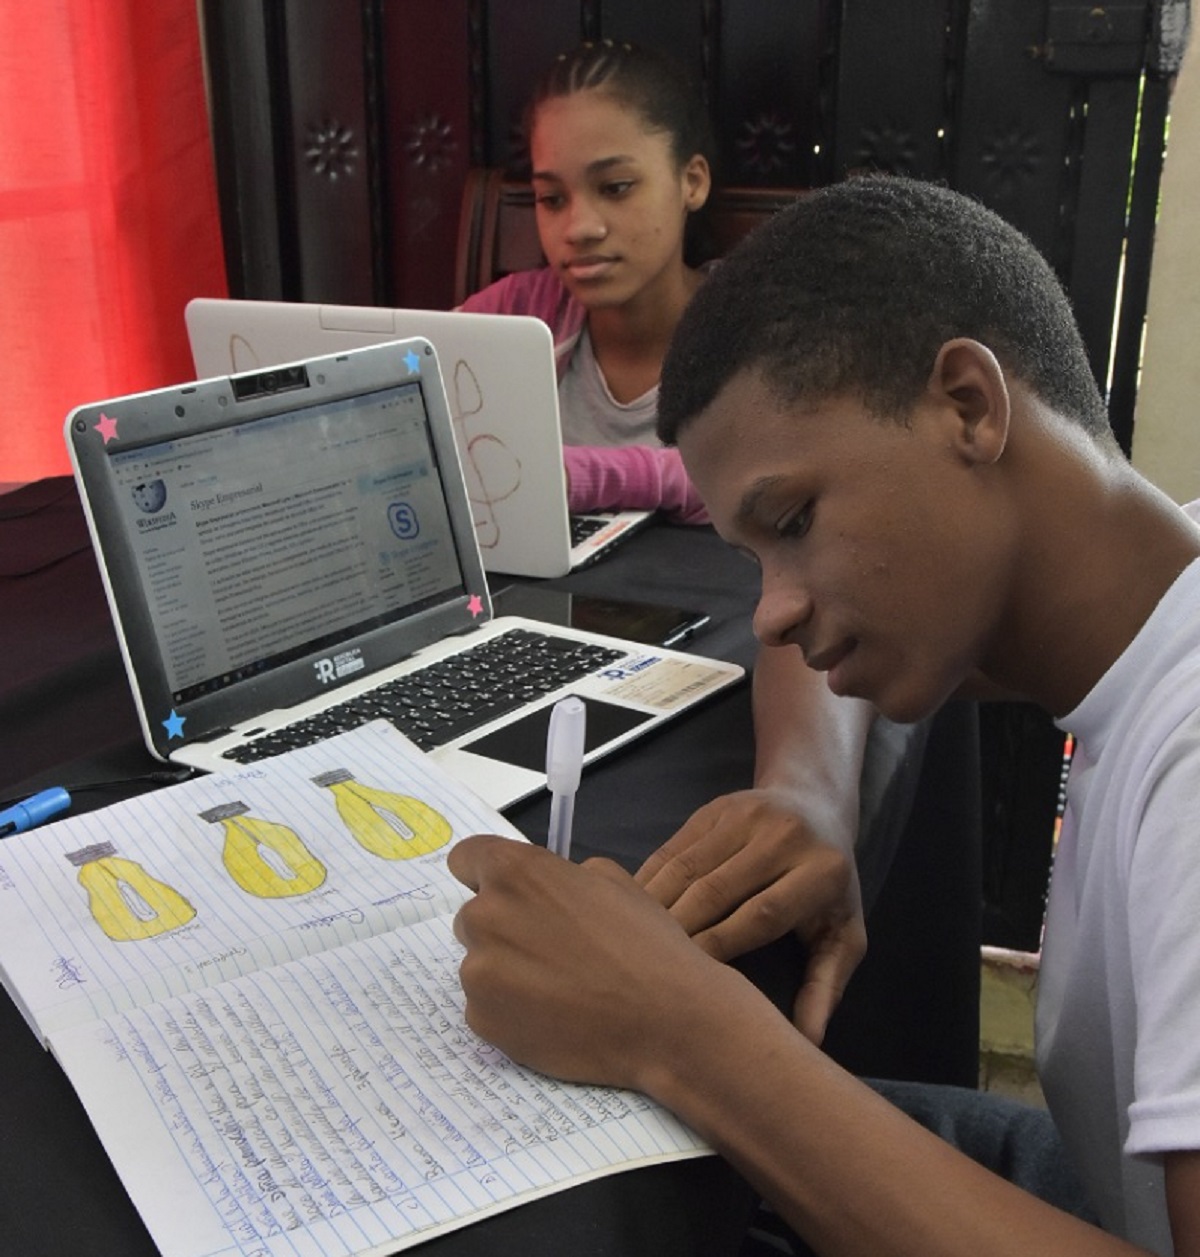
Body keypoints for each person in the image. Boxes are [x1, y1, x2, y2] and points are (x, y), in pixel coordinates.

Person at [447, 174, 1200, 1256]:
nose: (772, 614)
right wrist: (804, 791)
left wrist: (686, 1036)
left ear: (968, 408)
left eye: (794, 521)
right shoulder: (1146, 589)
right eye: (753, 557)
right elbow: (809, 655)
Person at [460, 39, 715, 523]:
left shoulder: (753, 328)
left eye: (615, 188)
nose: (578, 229)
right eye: (551, 199)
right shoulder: (519, 312)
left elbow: (759, 479)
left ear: (692, 182)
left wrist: (575, 477)